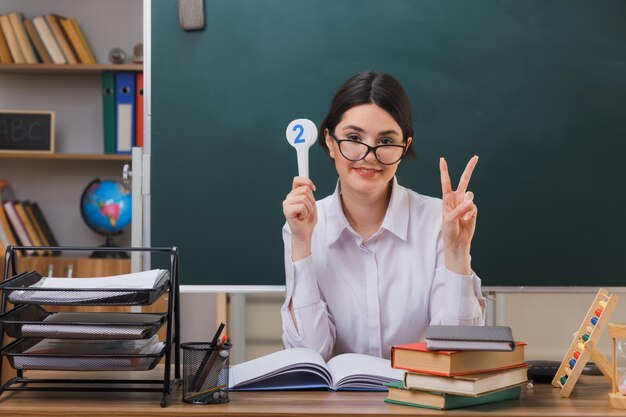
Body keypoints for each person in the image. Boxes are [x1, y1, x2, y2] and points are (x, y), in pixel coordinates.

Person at [281, 71, 485, 361]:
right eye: (353, 137)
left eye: (386, 141)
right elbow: (308, 355)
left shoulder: (438, 221)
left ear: (404, 147)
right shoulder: (303, 226)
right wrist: (302, 246)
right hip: (335, 406)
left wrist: (458, 252)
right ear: (329, 141)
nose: (369, 155)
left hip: (417, 402)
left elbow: (458, 352)